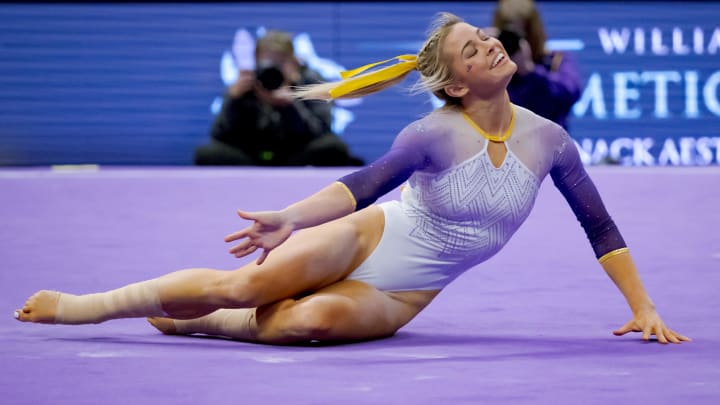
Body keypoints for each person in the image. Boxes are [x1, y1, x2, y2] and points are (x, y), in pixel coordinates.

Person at [15, 12, 688, 345]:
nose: (491, 43)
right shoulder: (431, 135)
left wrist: (643, 305)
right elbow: (362, 186)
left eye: (487, 37)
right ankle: (85, 305)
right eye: (473, 48)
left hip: (408, 292)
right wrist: (290, 219)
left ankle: (210, 324)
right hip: (369, 237)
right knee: (249, 281)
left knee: (297, 326)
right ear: (456, 83)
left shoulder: (551, 141)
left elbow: (599, 225)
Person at [194, 30, 363, 166]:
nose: (273, 69)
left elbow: (322, 132)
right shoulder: (246, 84)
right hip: (251, 156)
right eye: (267, 63)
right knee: (206, 153)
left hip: (295, 155)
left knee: (333, 148)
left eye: (280, 62)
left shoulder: (310, 82)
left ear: (293, 62)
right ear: (256, 61)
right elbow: (219, 135)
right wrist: (233, 100)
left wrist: (290, 106)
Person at [491, 0, 582, 130]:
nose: (516, 42)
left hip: (551, 147)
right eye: (508, 35)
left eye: (520, 36)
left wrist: (529, 71)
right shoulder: (491, 69)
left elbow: (569, 95)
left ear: (534, 33)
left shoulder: (556, 61)